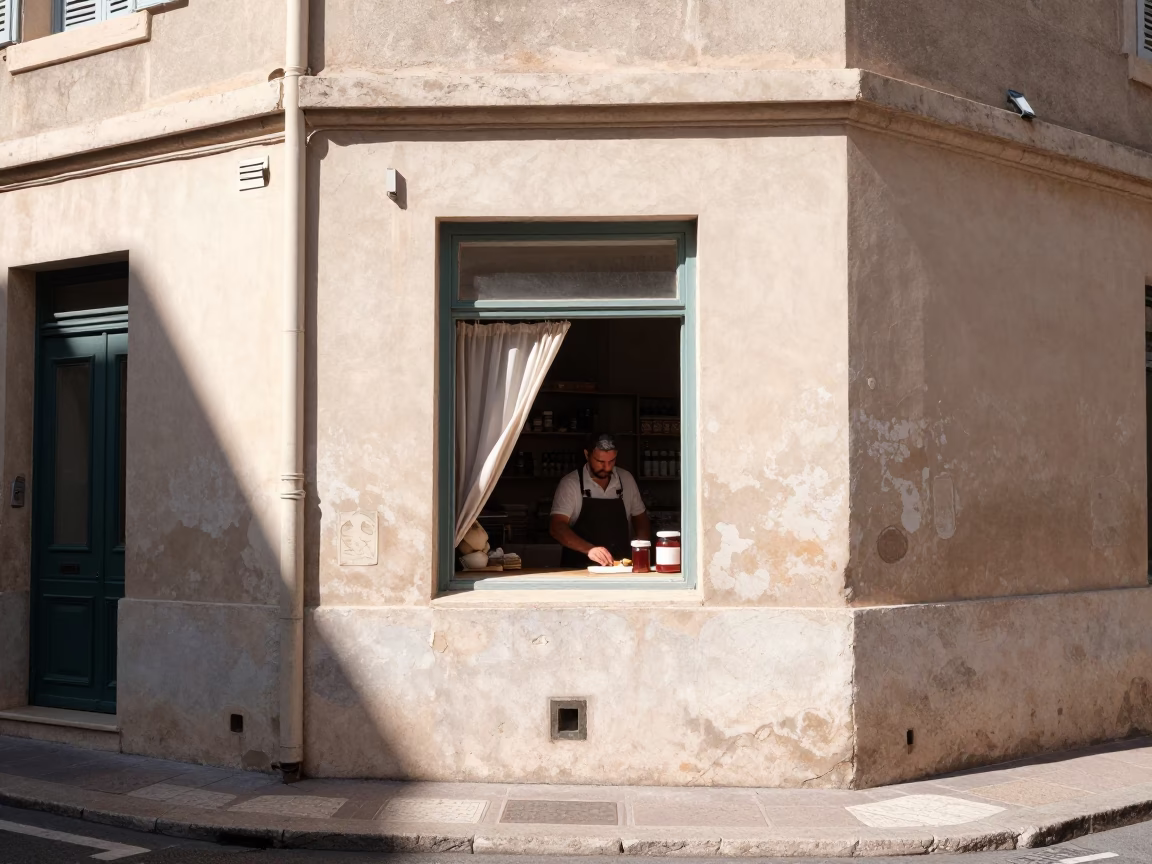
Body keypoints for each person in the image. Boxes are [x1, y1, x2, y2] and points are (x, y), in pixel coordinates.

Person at [549, 432, 651, 567]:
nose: (606, 467)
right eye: (600, 461)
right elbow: (557, 527)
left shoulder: (626, 479)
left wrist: (641, 550)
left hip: (619, 567)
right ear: (587, 455)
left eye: (612, 461)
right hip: (579, 568)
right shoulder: (571, 483)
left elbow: (641, 519)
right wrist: (589, 549)